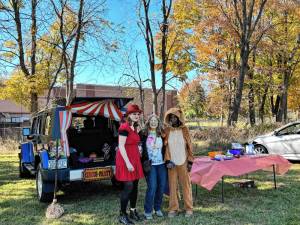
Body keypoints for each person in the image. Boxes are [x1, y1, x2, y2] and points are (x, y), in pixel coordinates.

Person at [115, 104, 144, 225]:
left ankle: (132, 210)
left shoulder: (135, 127)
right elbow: (121, 146)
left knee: (135, 186)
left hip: (135, 159)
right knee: (128, 187)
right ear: (128, 115)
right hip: (126, 160)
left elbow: (135, 142)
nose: (136, 116)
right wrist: (127, 163)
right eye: (134, 114)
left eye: (138, 114)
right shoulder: (124, 127)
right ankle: (122, 214)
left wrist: (140, 148)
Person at [163, 108, 194, 218]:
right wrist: (167, 161)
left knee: (186, 185)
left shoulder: (185, 130)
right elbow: (164, 147)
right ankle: (173, 208)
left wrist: (190, 161)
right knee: (172, 186)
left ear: (179, 118)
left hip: (184, 161)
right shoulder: (167, 131)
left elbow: (190, 146)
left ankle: (189, 208)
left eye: (175, 117)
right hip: (172, 163)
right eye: (171, 117)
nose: (173, 119)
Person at [139, 114, 167, 220]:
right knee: (152, 187)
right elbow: (136, 144)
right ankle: (148, 211)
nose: (154, 122)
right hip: (150, 165)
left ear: (158, 122)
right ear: (148, 122)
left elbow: (166, 146)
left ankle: (157, 208)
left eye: (156, 120)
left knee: (161, 186)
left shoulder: (162, 133)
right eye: (152, 120)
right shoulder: (143, 133)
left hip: (161, 164)